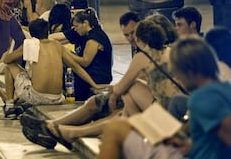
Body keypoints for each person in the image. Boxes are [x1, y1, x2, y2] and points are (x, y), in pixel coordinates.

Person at [21, 20, 182, 150]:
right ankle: (58, 129)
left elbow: (121, 87)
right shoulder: (173, 53)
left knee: (121, 101)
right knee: (119, 102)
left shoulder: (142, 57)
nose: (130, 40)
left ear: (140, 39)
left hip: (163, 114)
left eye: (132, 36)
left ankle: (61, 130)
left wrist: (113, 91)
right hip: (173, 110)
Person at [98, 37, 231, 159]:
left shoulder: (204, 98)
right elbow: (214, 141)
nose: (178, 78)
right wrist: (187, 144)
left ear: (189, 71)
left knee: (115, 129)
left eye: (178, 73)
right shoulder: (224, 89)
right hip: (190, 151)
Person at [0, 19, 107, 117]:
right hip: (57, 98)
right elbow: (76, 67)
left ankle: (9, 105)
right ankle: (20, 103)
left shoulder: (30, 44)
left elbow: (7, 60)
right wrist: (94, 85)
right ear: (48, 32)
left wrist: (12, 50)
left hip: (37, 96)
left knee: (9, 67)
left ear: (32, 34)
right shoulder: (57, 45)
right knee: (29, 78)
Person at [49, 9, 113, 101]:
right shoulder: (85, 34)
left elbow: (85, 62)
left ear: (85, 23)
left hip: (97, 76)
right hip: (90, 73)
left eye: (76, 26)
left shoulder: (94, 38)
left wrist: (67, 53)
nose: (75, 29)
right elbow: (63, 38)